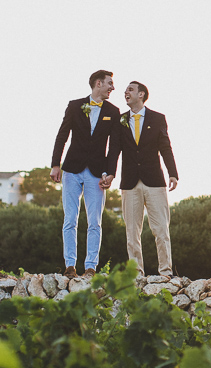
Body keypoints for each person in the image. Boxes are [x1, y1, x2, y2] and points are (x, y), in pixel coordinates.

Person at [51, 69, 120, 279]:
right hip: (72, 169)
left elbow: (115, 146)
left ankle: (91, 266)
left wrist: (111, 173)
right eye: (109, 83)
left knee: (95, 221)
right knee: (70, 219)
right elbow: (62, 136)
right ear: (98, 83)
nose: (113, 87)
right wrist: (55, 164)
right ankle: (70, 265)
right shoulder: (74, 105)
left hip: (97, 173)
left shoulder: (114, 111)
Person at [111, 80, 179, 278]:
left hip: (155, 182)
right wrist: (109, 173)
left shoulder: (158, 119)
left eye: (130, 90)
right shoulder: (120, 120)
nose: (125, 92)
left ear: (141, 94)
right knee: (132, 232)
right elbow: (114, 150)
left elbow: (166, 147)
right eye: (125, 91)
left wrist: (173, 173)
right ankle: (137, 274)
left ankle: (165, 272)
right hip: (129, 183)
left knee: (161, 230)